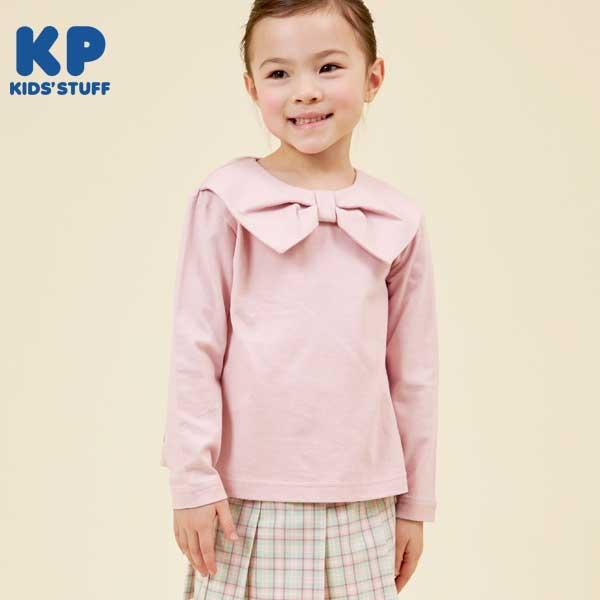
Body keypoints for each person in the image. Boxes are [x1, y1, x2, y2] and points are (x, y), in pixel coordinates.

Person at [160, 1, 440, 598]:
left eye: (328, 67)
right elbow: (195, 349)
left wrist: (415, 502)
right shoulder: (226, 199)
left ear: (373, 78)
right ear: (252, 88)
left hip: (366, 503)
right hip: (245, 504)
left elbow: (414, 374)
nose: (304, 91)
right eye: (279, 73)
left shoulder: (397, 218)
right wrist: (192, 481)